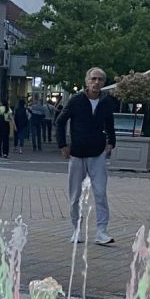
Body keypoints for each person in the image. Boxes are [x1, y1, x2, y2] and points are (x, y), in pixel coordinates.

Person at [56, 67, 116, 244]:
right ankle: (76, 230)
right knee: (75, 195)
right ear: (87, 81)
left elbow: (110, 123)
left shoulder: (105, 102)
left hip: (97, 153)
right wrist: (63, 145)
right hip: (77, 153)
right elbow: (60, 121)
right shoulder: (76, 101)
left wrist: (111, 141)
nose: (97, 82)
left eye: (100, 80)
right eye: (94, 79)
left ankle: (101, 231)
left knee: (100, 193)